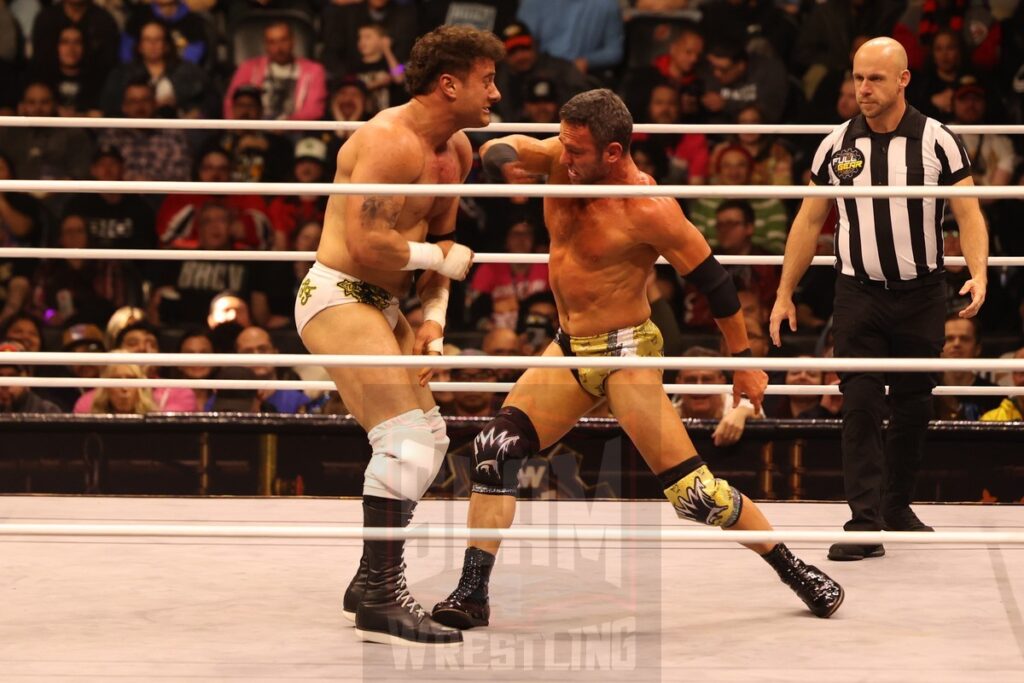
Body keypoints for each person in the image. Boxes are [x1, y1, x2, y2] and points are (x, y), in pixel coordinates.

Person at [432, 89, 843, 632]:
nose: (565, 155)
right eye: (564, 142)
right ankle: (472, 593)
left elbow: (716, 284)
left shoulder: (649, 208)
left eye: (578, 150)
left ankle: (793, 568)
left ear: (613, 152)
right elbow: (499, 147)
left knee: (696, 496)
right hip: (569, 348)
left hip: (626, 351)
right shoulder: (561, 159)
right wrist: (508, 166)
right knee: (494, 451)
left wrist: (743, 362)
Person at [294, 25, 503, 647]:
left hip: (385, 304)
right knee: (405, 438)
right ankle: (383, 597)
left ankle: (369, 583)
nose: (495, 92)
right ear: (449, 83)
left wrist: (434, 324)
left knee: (430, 440)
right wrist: (440, 264)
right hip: (336, 294)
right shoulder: (388, 140)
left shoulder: (456, 151)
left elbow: (439, 248)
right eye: (486, 80)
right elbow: (367, 243)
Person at [769, 38, 989, 561]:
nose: (862, 90)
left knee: (914, 404)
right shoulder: (836, 145)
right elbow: (807, 220)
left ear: (903, 80)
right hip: (858, 293)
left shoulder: (938, 141)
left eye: (875, 79)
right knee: (861, 403)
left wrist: (978, 273)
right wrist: (783, 292)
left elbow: (970, 211)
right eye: (857, 78)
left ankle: (895, 507)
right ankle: (863, 521)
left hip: (921, 293)